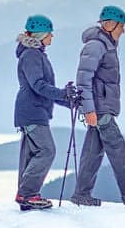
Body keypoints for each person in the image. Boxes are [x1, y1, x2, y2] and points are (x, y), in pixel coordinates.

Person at [72, 5, 125, 208]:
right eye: (121, 26)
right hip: (100, 108)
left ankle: (81, 194)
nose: (123, 31)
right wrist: (89, 110)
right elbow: (83, 79)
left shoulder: (106, 45)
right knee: (117, 148)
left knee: (93, 152)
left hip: (101, 106)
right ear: (110, 25)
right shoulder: (97, 46)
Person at [11, 14, 78, 210]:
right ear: (40, 35)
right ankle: (27, 194)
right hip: (32, 112)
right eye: (50, 33)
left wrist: (69, 100)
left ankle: (26, 196)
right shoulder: (32, 55)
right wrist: (63, 94)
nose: (52, 37)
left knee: (33, 154)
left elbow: (44, 89)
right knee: (47, 150)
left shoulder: (35, 54)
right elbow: (39, 85)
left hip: (31, 111)